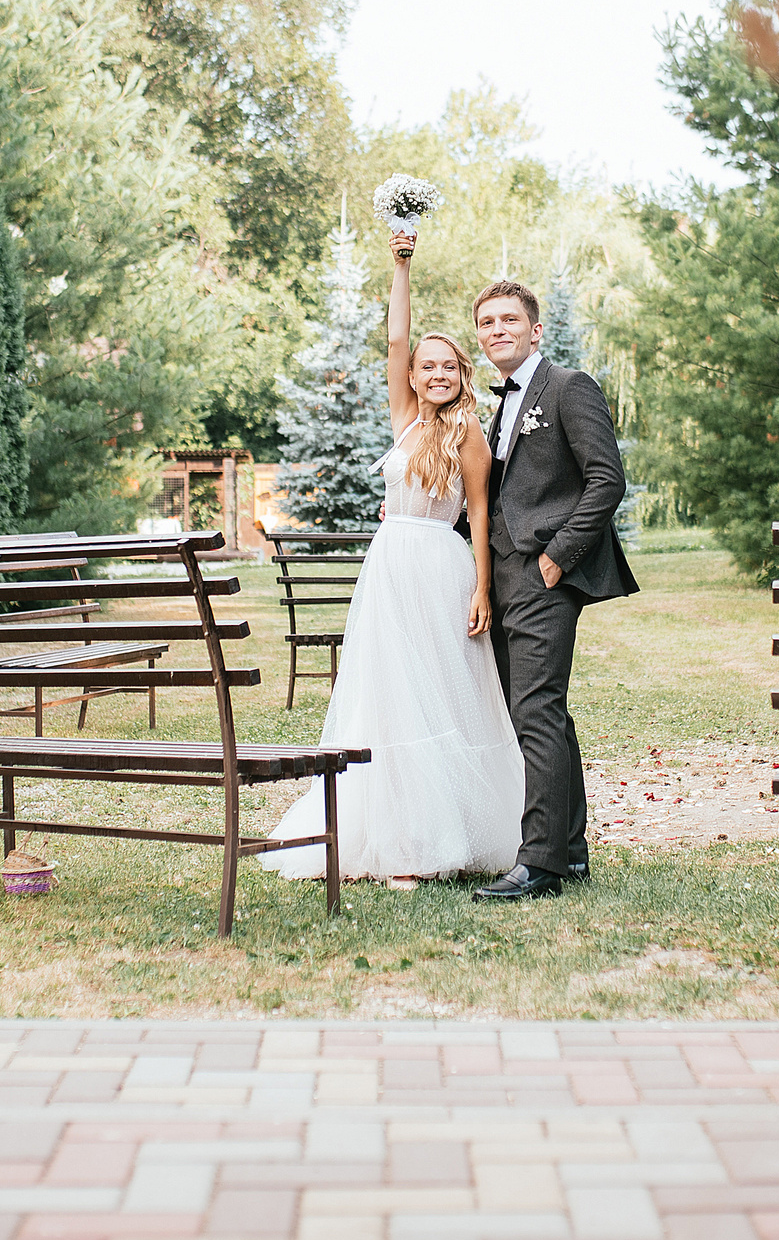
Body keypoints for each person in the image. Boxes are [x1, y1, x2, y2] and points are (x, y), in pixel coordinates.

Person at [258, 225, 525, 885]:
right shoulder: (404, 417)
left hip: (441, 567)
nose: (435, 372)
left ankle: (442, 839)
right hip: (389, 568)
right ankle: (396, 839)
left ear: (462, 374)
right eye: (426, 365)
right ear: (413, 376)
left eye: (447, 365)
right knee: (388, 694)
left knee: (439, 696)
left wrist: (482, 590)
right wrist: (401, 267)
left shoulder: (469, 433)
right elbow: (395, 338)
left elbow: (482, 512)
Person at [466, 277, 639, 903]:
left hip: (543, 573)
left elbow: (606, 480)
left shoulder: (568, 387)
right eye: (486, 323)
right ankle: (569, 853)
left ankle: (537, 864)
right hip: (503, 574)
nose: (497, 331)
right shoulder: (497, 406)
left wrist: (558, 557)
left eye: (509, 320)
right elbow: (499, 490)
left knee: (537, 708)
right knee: (538, 713)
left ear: (535, 330)